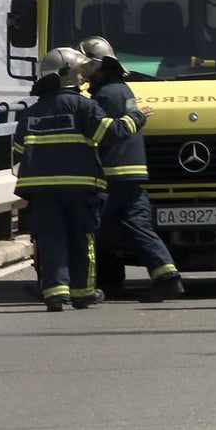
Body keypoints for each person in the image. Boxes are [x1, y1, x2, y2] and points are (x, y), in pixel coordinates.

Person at [13, 47, 151, 312]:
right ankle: (83, 292)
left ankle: (54, 294)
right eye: (79, 73)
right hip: (80, 187)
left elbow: (18, 149)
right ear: (68, 76)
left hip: (41, 191)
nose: (84, 78)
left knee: (50, 239)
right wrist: (137, 116)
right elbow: (112, 132)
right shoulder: (84, 106)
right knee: (82, 239)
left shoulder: (31, 113)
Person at [79, 36, 184, 303]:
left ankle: (79, 285)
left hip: (112, 172)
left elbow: (104, 134)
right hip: (131, 172)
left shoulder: (105, 95)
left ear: (97, 66)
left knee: (88, 228)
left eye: (85, 64)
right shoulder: (122, 89)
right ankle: (167, 277)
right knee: (138, 226)